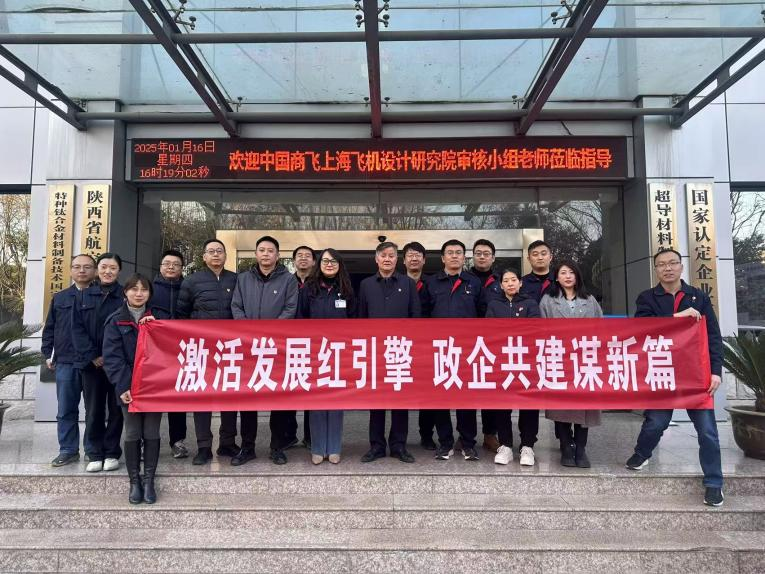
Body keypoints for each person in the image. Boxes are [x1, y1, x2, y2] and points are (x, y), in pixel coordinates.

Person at [626, 248, 724, 507]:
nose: (667, 268)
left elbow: (713, 335)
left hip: (696, 374)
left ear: (681, 266)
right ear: (656, 269)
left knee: (707, 431)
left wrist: (716, 371)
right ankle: (642, 453)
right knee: (656, 423)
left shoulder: (698, 297)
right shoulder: (647, 298)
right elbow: (641, 329)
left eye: (672, 263)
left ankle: (714, 482)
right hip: (662, 371)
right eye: (661, 264)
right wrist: (677, 317)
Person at [231, 235, 298, 466]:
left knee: (277, 398)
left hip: (277, 347)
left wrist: (270, 333)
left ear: (277, 256)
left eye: (271, 250)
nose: (266, 254)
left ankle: (277, 447)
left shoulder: (288, 280)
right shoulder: (243, 279)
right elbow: (236, 306)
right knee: (247, 398)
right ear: (256, 254)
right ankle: (247, 447)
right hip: (248, 347)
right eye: (262, 250)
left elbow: (290, 308)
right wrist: (248, 331)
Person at [103, 274, 170, 504]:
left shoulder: (160, 318)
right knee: (132, 432)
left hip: (154, 386)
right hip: (128, 386)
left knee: (151, 432)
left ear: (150, 294)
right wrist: (123, 386)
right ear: (125, 292)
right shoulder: (115, 320)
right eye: (134, 289)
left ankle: (149, 480)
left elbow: (170, 350)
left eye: (143, 290)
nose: (139, 293)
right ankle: (134, 481)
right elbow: (112, 358)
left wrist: (155, 328)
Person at [176, 239, 239, 465]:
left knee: (230, 396)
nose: (215, 255)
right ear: (204, 257)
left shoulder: (236, 279)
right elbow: (181, 314)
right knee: (202, 397)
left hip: (231, 348)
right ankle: (204, 446)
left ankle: (227, 442)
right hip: (202, 349)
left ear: (225, 255)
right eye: (211, 251)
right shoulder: (192, 281)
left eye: (219, 251)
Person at [358, 241, 421, 464]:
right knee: (376, 402)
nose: (387, 259)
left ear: (397, 259)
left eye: (391, 255)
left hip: (400, 350)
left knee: (400, 401)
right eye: (383, 255)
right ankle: (376, 446)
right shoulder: (366, 285)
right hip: (375, 351)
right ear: (376, 259)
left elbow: (416, 316)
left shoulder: (408, 283)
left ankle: (398, 446)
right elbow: (361, 318)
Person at [540, 260, 603, 468]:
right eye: (563, 273)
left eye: (571, 273)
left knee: (585, 405)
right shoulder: (548, 300)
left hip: (585, 359)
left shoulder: (590, 300)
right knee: (562, 405)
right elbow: (540, 330)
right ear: (556, 278)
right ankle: (566, 446)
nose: (567, 276)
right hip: (559, 359)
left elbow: (601, 328)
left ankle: (581, 447)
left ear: (577, 276)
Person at [297, 248, 356, 464]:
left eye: (333, 261)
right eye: (325, 261)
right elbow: (300, 318)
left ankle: (333, 448)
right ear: (318, 264)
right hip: (315, 353)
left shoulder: (347, 290)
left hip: (340, 353)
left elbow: (355, 320)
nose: (329, 264)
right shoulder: (309, 289)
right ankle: (318, 447)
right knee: (317, 401)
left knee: (336, 402)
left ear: (340, 265)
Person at [426, 239, 482, 461]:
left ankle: (468, 443)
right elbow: (423, 314)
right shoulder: (432, 282)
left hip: (467, 349)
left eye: (459, 252)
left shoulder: (473, 282)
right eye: (450, 253)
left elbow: (482, 313)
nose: (454, 256)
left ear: (464, 257)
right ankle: (445, 442)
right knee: (440, 399)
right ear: (443, 258)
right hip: (439, 349)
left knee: (466, 399)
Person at [71, 252, 125, 473]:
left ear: (119, 271)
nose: (107, 272)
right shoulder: (83, 295)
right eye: (103, 267)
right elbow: (76, 329)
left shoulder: (125, 295)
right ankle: (94, 452)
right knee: (93, 410)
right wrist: (93, 355)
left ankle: (111, 452)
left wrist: (111, 357)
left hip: (117, 364)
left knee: (116, 409)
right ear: (97, 270)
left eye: (112, 268)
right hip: (91, 365)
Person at [42, 254, 96, 467]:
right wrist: (48, 353)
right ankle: (68, 449)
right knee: (65, 409)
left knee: (94, 410)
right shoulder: (60, 298)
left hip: (92, 363)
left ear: (94, 271)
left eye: (87, 267)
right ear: (71, 270)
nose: (82, 270)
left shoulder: (100, 296)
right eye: (77, 267)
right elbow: (50, 328)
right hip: (65, 361)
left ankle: (92, 449)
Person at [485, 268, 541, 466]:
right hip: (502, 361)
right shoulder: (494, 305)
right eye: (506, 280)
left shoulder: (530, 303)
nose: (510, 283)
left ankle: (527, 446)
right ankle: (506, 445)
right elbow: (490, 331)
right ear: (501, 285)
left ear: (520, 282)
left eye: (514, 279)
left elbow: (535, 329)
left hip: (526, 360)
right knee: (502, 404)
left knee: (529, 405)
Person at [150, 248, 188, 459]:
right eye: (167, 263)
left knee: (178, 398)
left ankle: (178, 441)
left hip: (182, 351)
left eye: (176, 264)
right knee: (154, 397)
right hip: (155, 352)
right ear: (160, 266)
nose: (171, 267)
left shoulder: (188, 287)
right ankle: (149, 441)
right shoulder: (149, 288)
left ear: (182, 268)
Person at [470, 238, 504, 454]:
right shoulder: (464, 279)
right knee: (468, 391)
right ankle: (467, 436)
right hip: (468, 343)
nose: (482, 257)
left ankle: (490, 434)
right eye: (478, 253)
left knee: (492, 391)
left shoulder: (501, 280)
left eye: (486, 253)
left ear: (493, 257)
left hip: (494, 343)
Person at [402, 241, 436, 451]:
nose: (414, 258)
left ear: (424, 260)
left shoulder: (433, 283)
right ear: (404, 260)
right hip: (402, 345)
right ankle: (399, 439)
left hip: (428, 345)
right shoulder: (396, 282)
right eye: (410, 255)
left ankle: (426, 435)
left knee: (428, 392)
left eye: (418, 255)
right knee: (400, 388)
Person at [288, 245, 316, 450]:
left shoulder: (319, 284)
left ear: (314, 261)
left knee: (310, 391)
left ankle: (310, 436)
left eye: (308, 256)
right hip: (287, 344)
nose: (303, 259)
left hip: (313, 345)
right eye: (300, 255)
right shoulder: (286, 282)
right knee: (289, 389)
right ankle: (288, 435)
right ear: (293, 261)